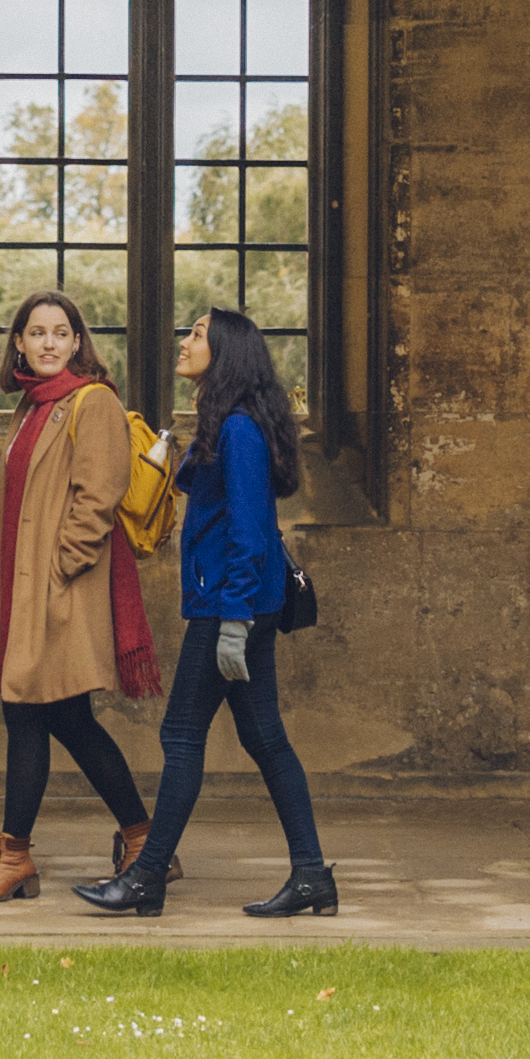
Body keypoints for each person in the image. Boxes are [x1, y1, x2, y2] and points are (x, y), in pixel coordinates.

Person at [77, 307, 336, 919]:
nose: (185, 340)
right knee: (265, 737)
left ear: (227, 351)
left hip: (233, 607)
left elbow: (250, 533)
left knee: (181, 734)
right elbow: (203, 491)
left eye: (197, 333)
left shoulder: (242, 431)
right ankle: (311, 875)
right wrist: (173, 444)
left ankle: (146, 877)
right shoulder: (231, 427)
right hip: (238, 602)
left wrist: (236, 623)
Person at [0, 287, 160, 904]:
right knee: (67, 719)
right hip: (25, 588)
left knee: (27, 714)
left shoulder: (89, 402)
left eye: (60, 333)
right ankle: (144, 840)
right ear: (18, 342)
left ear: (77, 343)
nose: (48, 343)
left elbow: (99, 494)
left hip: (58, 591)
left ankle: (14, 855)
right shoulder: (31, 408)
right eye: (36, 333)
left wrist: (60, 568)